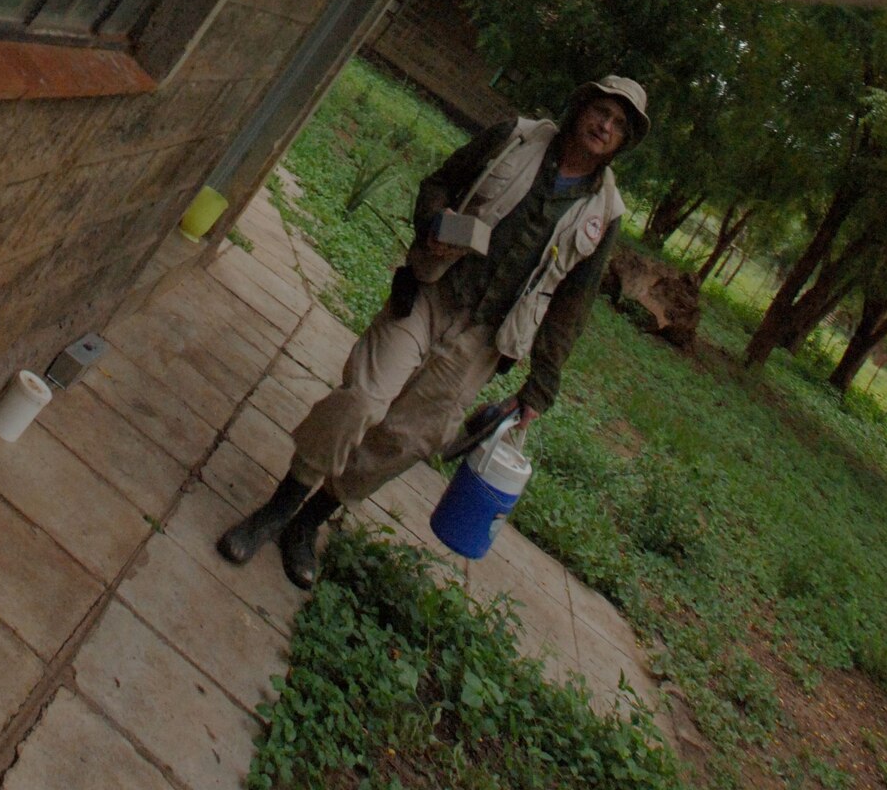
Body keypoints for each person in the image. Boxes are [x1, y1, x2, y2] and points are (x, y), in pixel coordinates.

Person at [217, 74, 650, 587]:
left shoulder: (606, 213)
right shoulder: (516, 136)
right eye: (601, 109)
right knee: (361, 400)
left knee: (405, 439)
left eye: (619, 123)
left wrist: (540, 388)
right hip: (432, 293)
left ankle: (308, 524)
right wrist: (435, 221)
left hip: (483, 341)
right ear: (581, 107)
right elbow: (439, 182)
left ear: (624, 141)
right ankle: (277, 509)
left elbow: (571, 307)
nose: (605, 124)